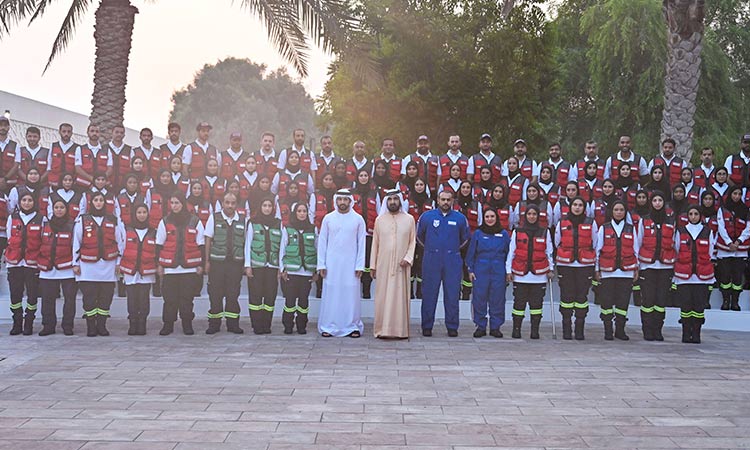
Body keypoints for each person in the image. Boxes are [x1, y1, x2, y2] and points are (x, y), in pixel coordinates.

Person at [417, 190, 470, 337]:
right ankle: (427, 326)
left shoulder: (460, 218)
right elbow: (419, 236)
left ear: (453, 201)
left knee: (452, 294)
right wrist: (430, 249)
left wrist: (451, 250)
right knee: (428, 294)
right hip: (431, 259)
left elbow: (465, 238)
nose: (445, 202)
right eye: (443, 199)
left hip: (452, 259)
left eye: (448, 199)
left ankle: (452, 327)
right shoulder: (427, 217)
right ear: (438, 200)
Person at [73, 191, 126, 337]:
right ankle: (91, 326)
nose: (98, 202)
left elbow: (119, 242)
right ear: (91, 203)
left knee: (105, 298)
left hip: (108, 266)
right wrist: (75, 263)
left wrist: (118, 262)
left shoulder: (112, 219)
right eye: (95, 200)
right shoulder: (82, 219)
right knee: (89, 298)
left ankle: (102, 325)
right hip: (87, 266)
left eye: (101, 200)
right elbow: (76, 242)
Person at [317, 189, 367, 337]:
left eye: (345, 200)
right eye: (340, 200)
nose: (342, 203)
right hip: (331, 265)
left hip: (351, 265)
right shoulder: (328, 218)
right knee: (331, 294)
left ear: (350, 201)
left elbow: (362, 244)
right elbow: (322, 242)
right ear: (336, 201)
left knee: (350, 295)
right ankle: (328, 326)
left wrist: (360, 265)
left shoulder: (358, 219)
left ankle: (352, 327)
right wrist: (321, 264)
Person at [156, 193, 205, 335]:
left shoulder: (195, 221)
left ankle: (187, 325)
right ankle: (168, 325)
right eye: (172, 203)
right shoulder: (164, 222)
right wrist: (158, 265)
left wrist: (200, 264)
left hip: (189, 269)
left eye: (177, 202)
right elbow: (159, 245)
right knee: (169, 300)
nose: (174, 205)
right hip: (170, 269)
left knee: (187, 300)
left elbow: (200, 244)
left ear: (183, 203)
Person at [371, 189, 416, 339]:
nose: (393, 202)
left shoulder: (409, 219)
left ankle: (400, 331)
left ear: (400, 201)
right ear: (386, 202)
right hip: (383, 265)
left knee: (399, 298)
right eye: (390, 200)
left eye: (396, 199)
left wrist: (408, 258)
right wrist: (373, 265)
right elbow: (375, 244)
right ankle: (381, 330)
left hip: (402, 265)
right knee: (382, 297)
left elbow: (412, 241)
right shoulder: (379, 220)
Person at [507, 204, 553, 339]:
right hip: (520, 274)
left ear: (538, 216)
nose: (532, 216)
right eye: (529, 214)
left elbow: (548, 251)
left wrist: (551, 268)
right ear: (525, 216)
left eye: (534, 214)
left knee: (536, 305)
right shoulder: (518, 231)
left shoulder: (545, 231)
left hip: (539, 275)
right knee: (518, 304)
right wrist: (508, 270)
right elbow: (512, 252)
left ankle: (535, 331)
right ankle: (516, 329)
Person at [204, 192, 248, 335]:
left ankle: (233, 324)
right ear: (222, 203)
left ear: (237, 204)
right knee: (215, 294)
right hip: (217, 263)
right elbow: (208, 240)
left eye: (233, 203)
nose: (230, 205)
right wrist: (207, 261)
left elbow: (246, 243)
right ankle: (214, 324)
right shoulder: (214, 218)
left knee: (233, 294)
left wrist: (245, 264)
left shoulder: (243, 220)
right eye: (227, 202)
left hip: (235, 264)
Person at [555, 196, 598, 340]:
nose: (577, 207)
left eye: (580, 205)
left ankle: (579, 329)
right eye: (575, 205)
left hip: (584, 265)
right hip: (566, 265)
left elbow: (596, 244)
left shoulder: (591, 223)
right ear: (570, 207)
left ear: (584, 208)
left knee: (581, 298)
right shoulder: (562, 222)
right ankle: (566, 329)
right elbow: (557, 242)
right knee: (566, 298)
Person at [595, 200, 639, 341]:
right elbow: (598, 250)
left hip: (626, 272)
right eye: (616, 210)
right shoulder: (604, 228)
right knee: (606, 302)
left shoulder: (631, 229)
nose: (619, 212)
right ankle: (608, 329)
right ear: (611, 212)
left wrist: (636, 269)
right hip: (608, 271)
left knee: (622, 302)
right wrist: (597, 270)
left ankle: (620, 330)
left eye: (621, 210)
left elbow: (636, 250)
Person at [674, 206, 716, 344]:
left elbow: (710, 252)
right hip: (684, 275)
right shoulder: (680, 231)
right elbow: (677, 249)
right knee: (685, 306)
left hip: (701, 276)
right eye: (690, 214)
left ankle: (696, 333)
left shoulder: (707, 231)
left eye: (696, 214)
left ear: (700, 215)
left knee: (699, 307)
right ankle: (686, 333)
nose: (693, 216)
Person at [637, 192, 676, 341]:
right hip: (648, 266)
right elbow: (638, 242)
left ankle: (658, 329)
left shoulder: (671, 221)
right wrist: (638, 266)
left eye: (660, 200)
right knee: (648, 300)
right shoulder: (644, 221)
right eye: (655, 200)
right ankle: (647, 330)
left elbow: (674, 243)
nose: (658, 203)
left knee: (661, 301)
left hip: (665, 267)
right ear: (651, 202)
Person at [466, 207, 510, 338]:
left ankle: (496, 327)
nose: (489, 219)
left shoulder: (504, 234)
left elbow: (509, 254)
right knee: (479, 299)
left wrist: (508, 271)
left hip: (498, 270)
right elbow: (471, 254)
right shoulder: (478, 234)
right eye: (487, 217)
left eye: (492, 216)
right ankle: (480, 326)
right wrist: (471, 270)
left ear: (496, 218)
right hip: (481, 270)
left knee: (497, 299)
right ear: (483, 218)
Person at [37, 199, 77, 336]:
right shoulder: (45, 224)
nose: (59, 210)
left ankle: (67, 326)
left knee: (69, 300)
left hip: (67, 268)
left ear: (66, 209)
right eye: (56, 207)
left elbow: (75, 245)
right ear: (52, 209)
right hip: (47, 268)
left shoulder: (73, 225)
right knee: (47, 300)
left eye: (62, 207)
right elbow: (38, 243)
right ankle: (48, 326)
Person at [5, 192, 43, 335]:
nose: (27, 203)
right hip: (14, 263)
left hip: (32, 263)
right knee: (15, 295)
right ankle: (17, 323)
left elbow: (42, 240)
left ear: (34, 202)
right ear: (20, 202)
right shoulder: (12, 218)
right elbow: (10, 237)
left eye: (30, 200)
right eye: (24, 200)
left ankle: (29, 324)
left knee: (32, 296)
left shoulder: (41, 219)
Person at [279, 202, 318, 334]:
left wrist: (316, 271)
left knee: (303, 302)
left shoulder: (313, 229)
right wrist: (282, 269)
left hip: (307, 272)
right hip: (291, 272)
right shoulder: (287, 228)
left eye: (304, 211)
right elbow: (282, 249)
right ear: (295, 213)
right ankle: (288, 325)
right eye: (299, 211)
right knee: (290, 301)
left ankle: (302, 326)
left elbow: (317, 249)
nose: (302, 214)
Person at [245, 196, 281, 334]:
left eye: (269, 206)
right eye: (264, 205)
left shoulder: (278, 223)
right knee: (255, 296)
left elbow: (281, 248)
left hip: (272, 266)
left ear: (273, 208)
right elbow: (247, 244)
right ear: (260, 207)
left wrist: (280, 268)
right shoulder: (252, 223)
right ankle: (257, 325)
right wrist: (248, 265)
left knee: (270, 296)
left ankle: (267, 325)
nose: (267, 208)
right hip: (256, 266)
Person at [119, 204, 157, 335]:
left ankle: (142, 324)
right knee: (132, 299)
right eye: (139, 212)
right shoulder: (127, 229)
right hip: (130, 271)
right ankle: (132, 323)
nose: (141, 215)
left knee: (144, 299)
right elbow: (121, 248)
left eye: (144, 212)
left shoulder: (153, 231)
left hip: (146, 272)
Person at [715, 186, 750, 311]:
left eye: (739, 194)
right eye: (734, 193)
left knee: (737, 277)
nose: (737, 196)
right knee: (724, 277)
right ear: (730, 194)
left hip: (740, 249)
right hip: (725, 248)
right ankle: (725, 300)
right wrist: (729, 242)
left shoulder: (746, 210)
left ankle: (735, 301)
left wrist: (738, 241)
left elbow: (748, 228)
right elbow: (721, 227)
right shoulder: (722, 209)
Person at [406, 177, 433, 298]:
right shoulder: (408, 201)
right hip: (410, 237)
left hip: (425, 238)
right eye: (417, 184)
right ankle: (410, 290)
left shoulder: (430, 201)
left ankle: (420, 291)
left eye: (421, 184)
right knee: (411, 264)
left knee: (422, 264)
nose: (419, 187)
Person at [74, 124, 113, 190]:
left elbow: (110, 169)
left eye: (97, 131)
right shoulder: (80, 149)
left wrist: (100, 180)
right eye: (92, 131)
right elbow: (78, 168)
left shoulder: (106, 150)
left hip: (102, 186)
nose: (94, 133)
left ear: (100, 133)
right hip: (83, 185)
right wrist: (92, 179)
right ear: (87, 133)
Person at [47, 123, 78, 189]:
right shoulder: (53, 146)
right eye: (64, 131)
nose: (66, 134)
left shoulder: (77, 148)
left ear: (72, 133)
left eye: (68, 132)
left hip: (70, 183)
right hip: (55, 182)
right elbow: (49, 165)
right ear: (59, 132)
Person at [108, 124, 132, 192]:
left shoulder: (129, 150)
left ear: (124, 135)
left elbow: (131, 170)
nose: (119, 134)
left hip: (123, 188)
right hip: (107, 186)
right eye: (117, 132)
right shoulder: (104, 148)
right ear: (112, 133)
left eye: (121, 133)